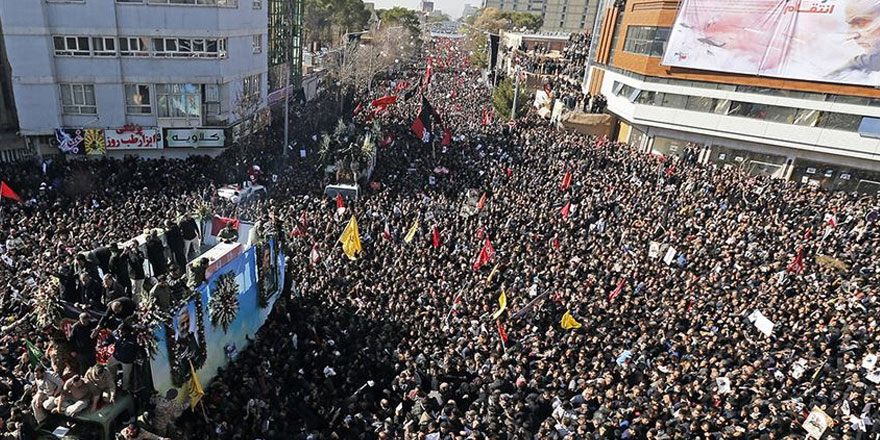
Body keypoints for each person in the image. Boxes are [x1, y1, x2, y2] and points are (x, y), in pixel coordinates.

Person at [104, 324, 138, 393]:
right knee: (108, 366)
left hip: (127, 360)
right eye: (119, 331)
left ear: (127, 331)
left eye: (122, 332)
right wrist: (106, 343)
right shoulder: (115, 333)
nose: (120, 333)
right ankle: (113, 379)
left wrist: (133, 357)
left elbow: (136, 349)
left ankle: (124, 389)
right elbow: (109, 339)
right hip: (116, 356)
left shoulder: (133, 338)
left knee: (126, 376)